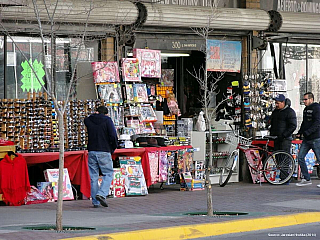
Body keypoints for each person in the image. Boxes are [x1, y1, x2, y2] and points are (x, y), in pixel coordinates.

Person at [84, 106, 118, 207]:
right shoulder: (107, 120)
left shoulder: (88, 120)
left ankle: (95, 201)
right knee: (108, 173)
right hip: (104, 150)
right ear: (106, 113)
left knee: (93, 176)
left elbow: (87, 119)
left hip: (91, 150)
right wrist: (112, 148)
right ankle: (101, 193)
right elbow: (113, 136)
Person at [296, 92, 320, 187]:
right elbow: (304, 122)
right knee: (300, 157)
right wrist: (300, 132)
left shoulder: (317, 108)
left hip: (316, 138)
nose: (304, 101)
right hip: (307, 139)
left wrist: (308, 132)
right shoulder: (306, 109)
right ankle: (306, 178)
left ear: (311, 99)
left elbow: (317, 123)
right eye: (303, 99)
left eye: (306, 99)